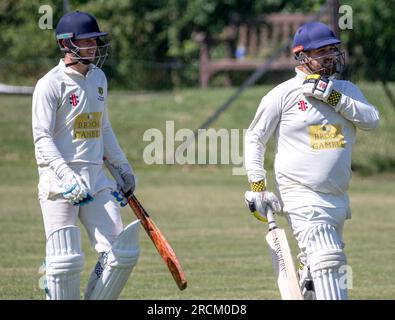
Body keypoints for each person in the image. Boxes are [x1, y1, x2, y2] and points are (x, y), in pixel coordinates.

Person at [244, 21, 380, 300]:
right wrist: (258, 186)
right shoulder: (282, 94)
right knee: (328, 261)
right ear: (302, 55)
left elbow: (372, 120)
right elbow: (254, 138)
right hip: (300, 193)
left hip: (338, 197)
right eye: (322, 51)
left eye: (333, 50)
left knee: (320, 267)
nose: (330, 56)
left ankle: (307, 282)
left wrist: (334, 99)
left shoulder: (344, 89)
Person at [32, 11, 140, 300]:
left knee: (121, 252)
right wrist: (66, 176)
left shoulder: (99, 78)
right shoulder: (50, 84)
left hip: (95, 176)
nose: (93, 45)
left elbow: (103, 128)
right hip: (59, 180)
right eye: (86, 40)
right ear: (66, 44)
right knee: (64, 261)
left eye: (95, 40)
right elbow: (41, 138)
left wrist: (123, 168)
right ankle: (51, 278)